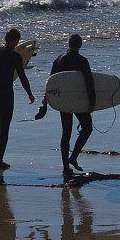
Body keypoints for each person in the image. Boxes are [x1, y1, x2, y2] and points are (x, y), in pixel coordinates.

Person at [36, 33, 95, 175]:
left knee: (66, 133)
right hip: (79, 100)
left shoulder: (58, 60)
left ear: (68, 44)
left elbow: (51, 82)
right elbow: (89, 83)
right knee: (87, 129)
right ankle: (73, 157)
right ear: (80, 45)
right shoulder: (82, 61)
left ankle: (65, 167)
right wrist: (92, 102)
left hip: (63, 101)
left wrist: (46, 99)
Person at [0, 28, 35, 170]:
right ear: (15, 41)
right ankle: (0, 159)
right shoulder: (15, 57)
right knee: (5, 126)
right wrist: (29, 93)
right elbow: (22, 76)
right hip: (6, 93)